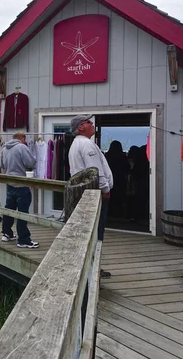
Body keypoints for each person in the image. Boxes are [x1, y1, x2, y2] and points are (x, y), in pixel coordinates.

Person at [68, 114, 113, 279]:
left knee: (88, 232)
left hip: (84, 193)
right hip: (94, 194)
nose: (92, 123)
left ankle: (88, 266)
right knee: (96, 233)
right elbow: (94, 171)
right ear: (80, 127)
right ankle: (93, 268)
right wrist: (105, 189)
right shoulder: (86, 144)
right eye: (88, 122)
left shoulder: (76, 144)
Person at [0, 131, 39, 249]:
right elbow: (31, 163)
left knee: (9, 209)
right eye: (25, 138)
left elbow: (2, 165)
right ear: (22, 138)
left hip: (9, 183)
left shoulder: (4, 148)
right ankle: (23, 239)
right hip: (21, 183)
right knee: (22, 212)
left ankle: (7, 233)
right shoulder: (22, 147)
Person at [104, 140, 129, 218]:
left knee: (111, 198)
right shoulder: (122, 156)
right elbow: (127, 167)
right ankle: (120, 215)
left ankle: (109, 215)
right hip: (120, 179)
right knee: (121, 198)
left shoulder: (107, 156)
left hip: (109, 179)